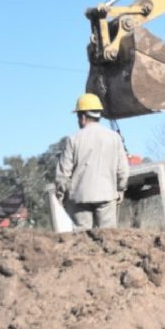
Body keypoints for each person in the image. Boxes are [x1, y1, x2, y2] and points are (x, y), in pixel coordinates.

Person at [55, 93, 129, 230]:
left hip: (79, 197)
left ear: (82, 117)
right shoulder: (114, 138)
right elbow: (123, 170)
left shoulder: (73, 139)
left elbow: (63, 174)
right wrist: (121, 189)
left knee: (82, 241)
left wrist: (60, 195)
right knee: (108, 238)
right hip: (107, 195)